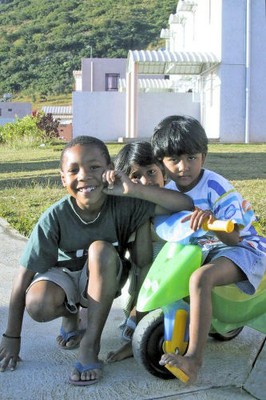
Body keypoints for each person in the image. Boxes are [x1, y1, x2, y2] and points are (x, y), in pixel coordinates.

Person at [0, 135, 193, 386]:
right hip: (65, 278)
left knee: (100, 249)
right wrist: (11, 337)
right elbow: (22, 279)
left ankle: (90, 346)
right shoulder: (54, 218)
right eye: (73, 170)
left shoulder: (124, 204)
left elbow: (185, 205)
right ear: (62, 179)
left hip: (104, 275)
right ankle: (72, 315)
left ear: (109, 171)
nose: (84, 176)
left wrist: (133, 188)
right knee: (37, 304)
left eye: (94, 167)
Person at [150, 115, 266, 383]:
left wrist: (213, 225)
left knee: (200, 278)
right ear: (162, 162)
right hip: (205, 249)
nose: (183, 167)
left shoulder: (216, 186)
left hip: (244, 247)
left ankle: (193, 360)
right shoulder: (167, 189)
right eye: (174, 160)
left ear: (204, 155)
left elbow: (235, 237)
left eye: (191, 157)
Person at [106, 141, 166, 362]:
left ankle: (140, 323)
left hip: (177, 274)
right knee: (149, 267)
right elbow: (142, 259)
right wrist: (142, 214)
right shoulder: (130, 212)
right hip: (144, 278)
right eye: (135, 176)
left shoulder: (173, 201)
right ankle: (139, 318)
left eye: (151, 172)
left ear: (163, 172)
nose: (145, 181)